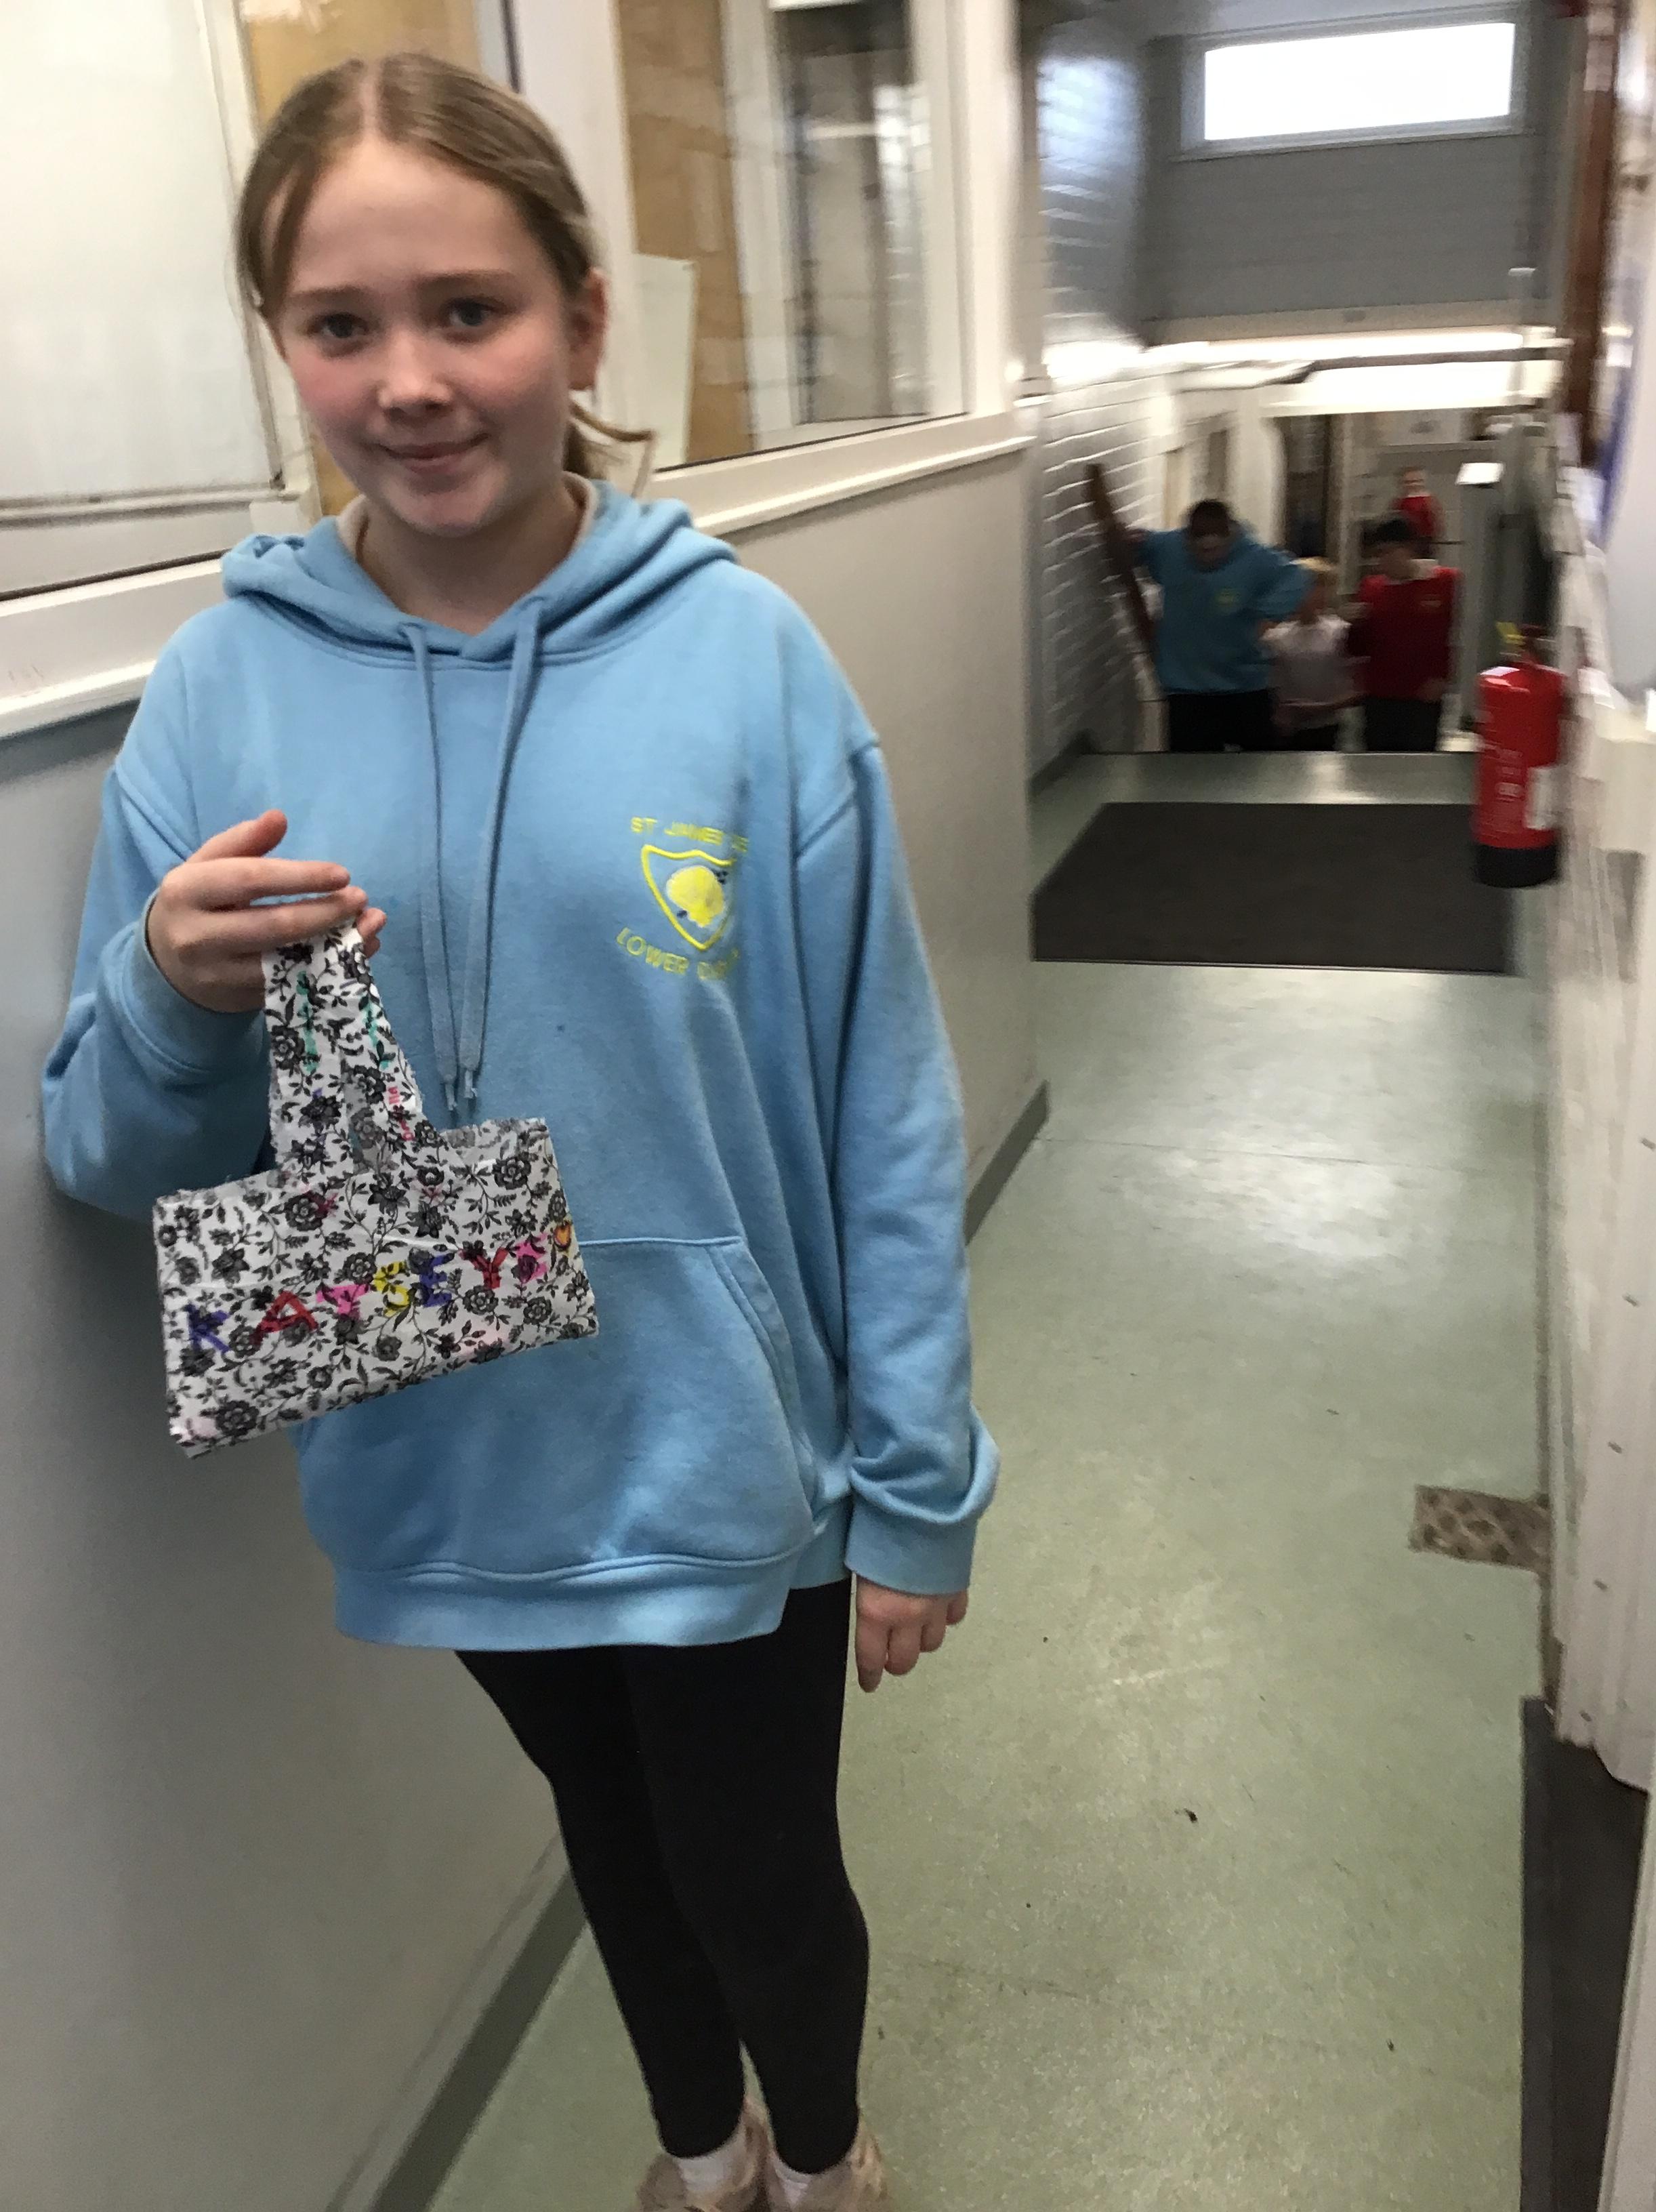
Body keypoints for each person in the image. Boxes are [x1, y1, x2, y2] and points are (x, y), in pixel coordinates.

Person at [41, 53, 995, 2212]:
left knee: (760, 1869)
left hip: (728, 1445)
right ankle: (698, 2157)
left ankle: (823, 2164)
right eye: (341, 324)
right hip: (443, 1444)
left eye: (469, 310)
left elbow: (883, 1104)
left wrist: (921, 1482)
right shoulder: (220, 691)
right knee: (612, 1851)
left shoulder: (745, 662)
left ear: (582, 314)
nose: (410, 380)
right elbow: (105, 1157)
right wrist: (171, 996)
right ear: (280, 342)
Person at [1134, 499, 1313, 752]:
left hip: (1245, 684)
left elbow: (1297, 576)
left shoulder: (1255, 557)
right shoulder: (1169, 548)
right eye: (1200, 549)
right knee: (1191, 768)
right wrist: (1130, 541)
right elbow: (1139, 548)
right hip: (1188, 688)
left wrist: (1269, 614)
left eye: (1215, 549)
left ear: (1229, 536)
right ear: (1188, 539)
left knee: (1259, 765)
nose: (1208, 555)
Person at [1349, 515, 1460, 752]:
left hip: (1423, 697)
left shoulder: (1445, 582)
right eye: (1377, 554)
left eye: (1387, 552)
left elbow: (1462, 636)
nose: (1382, 561)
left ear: (1409, 548)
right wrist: (1355, 625)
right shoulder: (1372, 588)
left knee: (1417, 763)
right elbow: (1358, 648)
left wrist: (1444, 676)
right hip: (1379, 697)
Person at [1264, 559, 1357, 750]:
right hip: (1287, 727)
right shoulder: (1276, 637)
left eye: (1323, 587)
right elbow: (1272, 684)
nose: (1318, 594)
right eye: (1312, 587)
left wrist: (1323, 708)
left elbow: (1358, 687)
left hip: (1329, 726)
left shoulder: (1340, 632)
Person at [1392, 467, 1442, 554]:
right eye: (1408, 482)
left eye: (1417, 481)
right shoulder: (1399, 502)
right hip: (1404, 543)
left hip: (1425, 542)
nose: (1413, 485)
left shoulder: (1429, 501)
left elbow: (1436, 523)